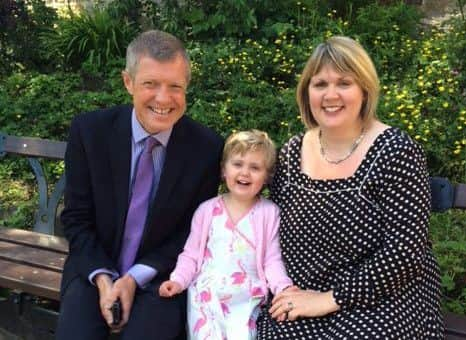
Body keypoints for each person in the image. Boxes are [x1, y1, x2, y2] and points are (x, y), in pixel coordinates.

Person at [256, 36, 444, 339]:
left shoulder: (395, 151)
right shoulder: (290, 154)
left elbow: (405, 252)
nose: (331, 95)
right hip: (302, 294)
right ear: (307, 93)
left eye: (344, 83)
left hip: (383, 296)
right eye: (320, 84)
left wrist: (329, 300)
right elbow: (269, 229)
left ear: (365, 90)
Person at [56, 30, 223, 340]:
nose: (163, 98)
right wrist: (106, 281)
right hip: (94, 268)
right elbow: (76, 219)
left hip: (161, 275)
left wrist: (133, 279)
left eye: (175, 86)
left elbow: (192, 232)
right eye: (150, 84)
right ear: (128, 82)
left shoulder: (206, 148)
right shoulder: (90, 132)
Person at [158, 130, 292, 339]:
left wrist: (283, 288)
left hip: (246, 297)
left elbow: (272, 260)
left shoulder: (269, 213)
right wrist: (178, 280)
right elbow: (191, 255)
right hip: (206, 295)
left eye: (255, 168)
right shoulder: (207, 210)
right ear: (223, 170)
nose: (245, 173)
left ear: (267, 176)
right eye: (237, 164)